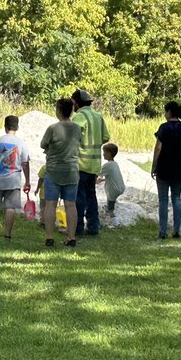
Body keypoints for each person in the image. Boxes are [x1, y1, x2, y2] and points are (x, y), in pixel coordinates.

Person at [41, 97, 81, 248]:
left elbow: (43, 144)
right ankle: (71, 237)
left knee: (50, 204)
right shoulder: (77, 128)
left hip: (53, 170)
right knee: (71, 205)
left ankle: (49, 237)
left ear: (58, 111)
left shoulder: (52, 128)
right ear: (71, 111)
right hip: (71, 171)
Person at [0, 115, 31, 239]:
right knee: (10, 208)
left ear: (5, 127)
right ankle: (7, 235)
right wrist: (27, 180)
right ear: (17, 127)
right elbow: (25, 164)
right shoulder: (21, 143)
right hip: (13, 181)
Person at [71, 88, 110, 236]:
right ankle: (94, 227)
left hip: (81, 163)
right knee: (91, 197)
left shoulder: (79, 117)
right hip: (94, 165)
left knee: (79, 198)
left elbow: (72, 137)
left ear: (76, 103)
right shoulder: (98, 117)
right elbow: (106, 137)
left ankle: (78, 227)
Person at [151, 100, 181, 239]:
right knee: (176, 198)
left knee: (163, 199)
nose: (164, 114)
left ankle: (162, 231)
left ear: (169, 112)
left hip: (163, 167)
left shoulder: (164, 128)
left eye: (165, 111)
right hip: (179, 169)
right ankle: (176, 230)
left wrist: (154, 165)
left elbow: (158, 148)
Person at [98, 143, 125, 227]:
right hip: (121, 187)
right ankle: (109, 207)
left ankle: (115, 222)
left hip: (114, 190)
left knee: (111, 207)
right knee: (111, 199)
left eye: (104, 152)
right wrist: (103, 179)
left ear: (109, 153)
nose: (103, 154)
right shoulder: (114, 164)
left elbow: (97, 173)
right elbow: (113, 177)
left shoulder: (107, 165)